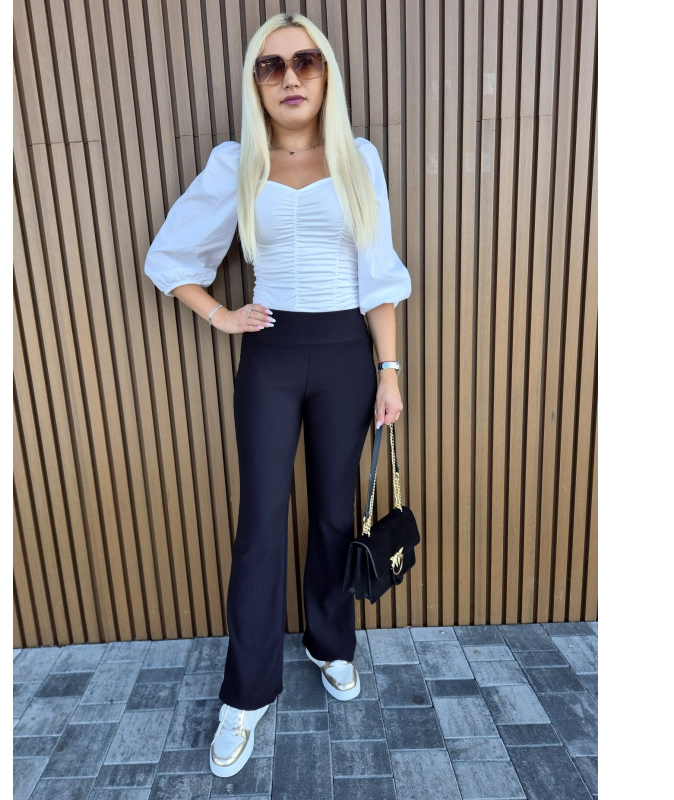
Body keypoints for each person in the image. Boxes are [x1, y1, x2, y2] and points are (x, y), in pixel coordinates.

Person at [144, 12, 411, 777]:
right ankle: (247, 691)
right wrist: (221, 314)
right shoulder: (237, 163)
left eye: (305, 61)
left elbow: (379, 273)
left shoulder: (358, 157)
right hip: (269, 355)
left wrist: (390, 370)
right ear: (255, 81)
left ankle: (331, 643)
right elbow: (171, 257)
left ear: (326, 74)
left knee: (332, 513)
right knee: (260, 521)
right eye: (271, 65)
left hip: (346, 356)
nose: (290, 77)